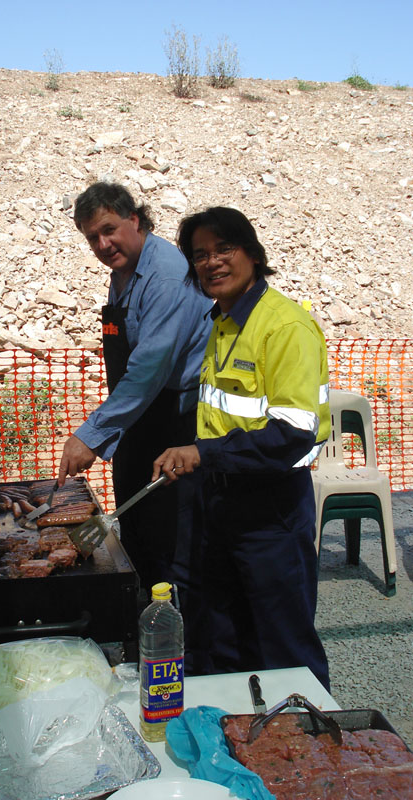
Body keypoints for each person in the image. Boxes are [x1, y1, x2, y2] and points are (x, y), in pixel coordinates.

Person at [152, 206, 331, 690]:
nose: (211, 262)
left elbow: (293, 434)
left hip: (270, 510)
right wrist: (196, 453)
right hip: (219, 503)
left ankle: (312, 753)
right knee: (223, 636)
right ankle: (236, 744)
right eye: (200, 255)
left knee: (284, 643)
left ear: (252, 254)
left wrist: (204, 454)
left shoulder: (285, 326)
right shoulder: (223, 322)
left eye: (224, 249)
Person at [58, 182, 212, 623]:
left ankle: (183, 639)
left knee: (173, 541)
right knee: (138, 531)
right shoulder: (124, 272)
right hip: (140, 420)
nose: (103, 244)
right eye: (92, 237)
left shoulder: (164, 274)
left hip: (174, 422)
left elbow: (148, 368)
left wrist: (92, 435)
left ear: (136, 221)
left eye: (109, 230)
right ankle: (145, 625)